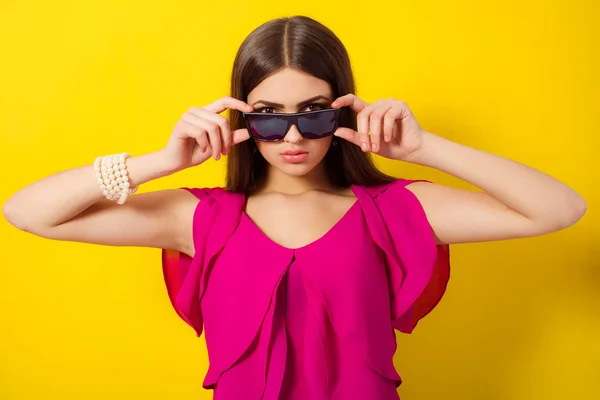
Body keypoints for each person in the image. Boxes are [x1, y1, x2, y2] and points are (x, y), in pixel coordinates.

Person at [2, 15, 586, 400]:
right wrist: (160, 161)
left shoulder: (395, 211)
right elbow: (28, 212)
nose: (292, 136)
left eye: (314, 112)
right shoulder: (200, 219)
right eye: (268, 115)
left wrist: (425, 147)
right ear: (242, 118)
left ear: (343, 113)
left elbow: (558, 209)